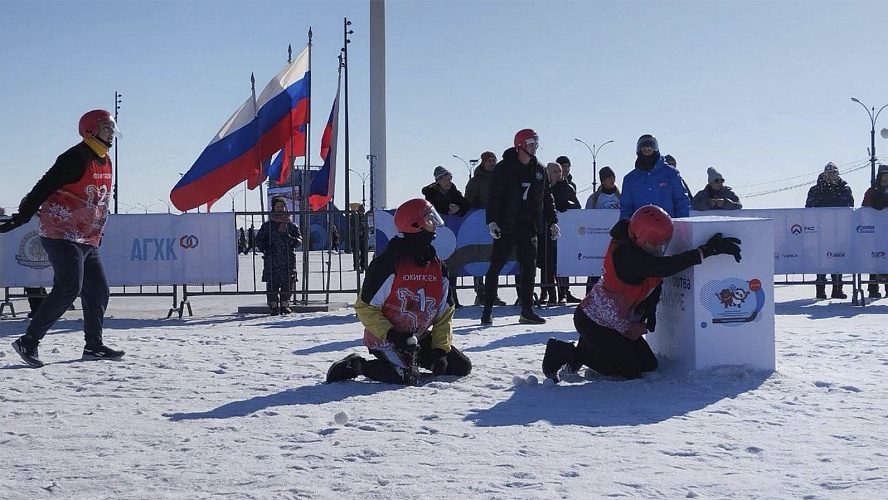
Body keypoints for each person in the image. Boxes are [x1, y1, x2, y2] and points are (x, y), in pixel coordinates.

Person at [541, 205, 742, 382]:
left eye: (662, 244)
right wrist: (704, 251)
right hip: (594, 322)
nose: (658, 248)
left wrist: (650, 308)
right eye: (653, 244)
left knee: (648, 365)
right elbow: (663, 268)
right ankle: (567, 353)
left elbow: (653, 281)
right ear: (638, 236)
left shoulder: (638, 246)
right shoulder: (626, 256)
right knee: (629, 370)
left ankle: (589, 349)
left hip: (613, 319)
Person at [2, 110, 124, 368]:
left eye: (112, 127)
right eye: (106, 127)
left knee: (98, 289)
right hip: (61, 233)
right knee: (69, 286)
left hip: (86, 237)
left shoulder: (106, 160)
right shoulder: (74, 158)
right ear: (91, 130)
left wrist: (96, 230)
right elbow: (43, 186)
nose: (111, 132)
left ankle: (93, 346)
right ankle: (29, 341)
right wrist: (21, 217)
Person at [326, 198, 472, 385]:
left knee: (461, 366)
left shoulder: (438, 267)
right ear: (415, 224)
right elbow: (364, 308)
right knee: (407, 377)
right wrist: (393, 335)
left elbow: (445, 312)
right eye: (429, 219)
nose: (435, 225)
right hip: (386, 338)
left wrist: (439, 350)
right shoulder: (388, 263)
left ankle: (412, 358)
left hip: (416, 337)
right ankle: (356, 366)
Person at [482, 129, 559, 325]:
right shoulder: (504, 168)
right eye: (531, 142)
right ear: (520, 145)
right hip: (507, 225)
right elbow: (494, 196)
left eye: (536, 142)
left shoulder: (539, 170)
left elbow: (546, 198)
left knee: (529, 268)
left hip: (529, 225)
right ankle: (488, 308)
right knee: (496, 265)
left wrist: (553, 221)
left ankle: (527, 310)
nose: (535, 146)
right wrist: (491, 221)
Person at [805, 162, 854, 299]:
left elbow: (850, 206)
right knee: (821, 261)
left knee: (838, 259)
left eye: (834, 173)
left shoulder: (844, 189)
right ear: (824, 174)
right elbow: (809, 209)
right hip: (820, 231)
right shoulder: (815, 190)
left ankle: (837, 289)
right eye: (829, 173)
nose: (831, 176)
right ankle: (820, 290)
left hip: (839, 231)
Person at [464, 151, 506, 306]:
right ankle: (480, 292)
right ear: (482, 162)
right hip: (480, 226)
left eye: (494, 160)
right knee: (479, 260)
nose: (492, 162)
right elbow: (468, 202)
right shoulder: (476, 181)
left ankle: (492, 293)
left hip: (499, 224)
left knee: (494, 260)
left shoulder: (501, 179)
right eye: (489, 160)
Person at [540, 162, 581, 305]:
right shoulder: (542, 187)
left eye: (560, 171)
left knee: (561, 261)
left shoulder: (567, 188)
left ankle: (563, 292)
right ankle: (547, 292)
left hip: (564, 231)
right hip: (544, 230)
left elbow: (577, 206)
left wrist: (567, 205)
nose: (559, 173)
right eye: (555, 171)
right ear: (548, 173)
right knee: (546, 263)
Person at [620, 135, 690, 221]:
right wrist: (625, 224)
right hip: (641, 228)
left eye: (650, 150)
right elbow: (626, 207)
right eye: (644, 151)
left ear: (656, 151)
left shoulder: (671, 173)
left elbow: (681, 201)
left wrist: (681, 223)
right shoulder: (630, 179)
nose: (647, 153)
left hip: (668, 227)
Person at [256, 196, 302, 315]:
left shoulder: (291, 225)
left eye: (282, 206)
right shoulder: (268, 225)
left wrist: (291, 240)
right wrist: (266, 248)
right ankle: (273, 306)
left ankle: (285, 305)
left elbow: (299, 240)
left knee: (287, 282)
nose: (280, 209)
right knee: (272, 283)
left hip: (287, 258)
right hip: (272, 258)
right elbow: (259, 240)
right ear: (273, 208)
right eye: (277, 206)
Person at [861, 164, 888, 299]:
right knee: (874, 258)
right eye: (884, 175)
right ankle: (872, 288)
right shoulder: (872, 191)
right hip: (875, 232)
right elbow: (865, 207)